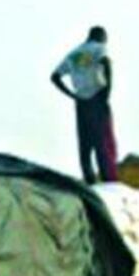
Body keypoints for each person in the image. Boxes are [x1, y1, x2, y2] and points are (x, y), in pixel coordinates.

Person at [51, 26, 117, 184]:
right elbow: (106, 64)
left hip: (81, 101)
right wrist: (107, 91)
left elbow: (55, 76)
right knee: (103, 143)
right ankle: (109, 182)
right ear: (102, 37)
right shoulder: (99, 48)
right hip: (97, 98)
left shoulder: (74, 53)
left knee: (85, 145)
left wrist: (72, 95)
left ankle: (90, 181)